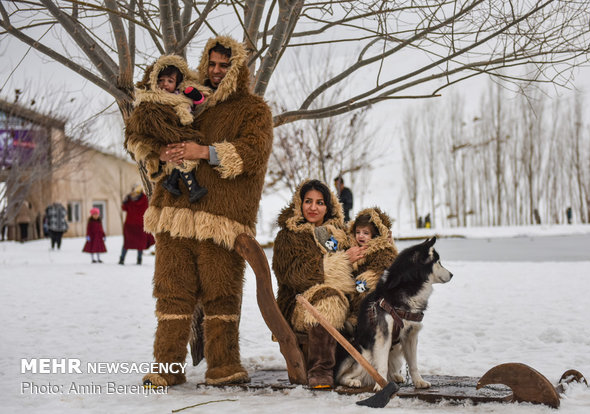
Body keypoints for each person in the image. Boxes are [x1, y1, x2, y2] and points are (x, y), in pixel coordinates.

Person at [125, 36, 273, 387]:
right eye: (212, 63)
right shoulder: (187, 99)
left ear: (236, 68)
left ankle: (223, 367)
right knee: (171, 292)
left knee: (221, 293)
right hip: (174, 213)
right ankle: (167, 369)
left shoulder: (252, 109)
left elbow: (253, 153)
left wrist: (202, 151)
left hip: (219, 219)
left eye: (224, 65)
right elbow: (144, 138)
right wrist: (159, 155)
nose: (217, 71)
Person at [272, 179, 365, 389]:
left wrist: (378, 244)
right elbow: (295, 275)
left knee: (372, 298)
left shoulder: (340, 234)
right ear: (299, 204)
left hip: (345, 302)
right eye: (308, 201)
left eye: (320, 202)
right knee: (329, 300)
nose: (313, 208)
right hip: (301, 305)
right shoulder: (288, 236)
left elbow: (362, 264)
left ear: (329, 206)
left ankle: (376, 366)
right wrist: (341, 262)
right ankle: (321, 370)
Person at [132, 55, 210, 203]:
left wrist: (196, 97)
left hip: (184, 134)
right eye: (161, 80)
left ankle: (176, 183)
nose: (164, 84)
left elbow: (196, 107)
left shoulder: (180, 96)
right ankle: (190, 187)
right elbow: (140, 133)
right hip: (167, 138)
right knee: (179, 157)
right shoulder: (150, 100)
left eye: (170, 81)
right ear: (154, 80)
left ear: (177, 83)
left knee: (181, 156)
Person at [345, 208, 398, 332]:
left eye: (365, 233)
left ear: (375, 235)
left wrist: (367, 280)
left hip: (371, 292)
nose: (360, 236)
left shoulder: (381, 251)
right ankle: (353, 322)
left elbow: (384, 269)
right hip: (354, 292)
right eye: (358, 232)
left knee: (368, 301)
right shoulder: (353, 248)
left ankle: (367, 322)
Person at [119, 184, 154, 265]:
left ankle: (122, 259)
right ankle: (139, 260)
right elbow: (148, 209)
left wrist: (125, 202)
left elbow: (124, 208)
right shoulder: (145, 199)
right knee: (140, 243)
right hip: (140, 224)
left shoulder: (129, 198)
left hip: (129, 224)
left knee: (127, 243)